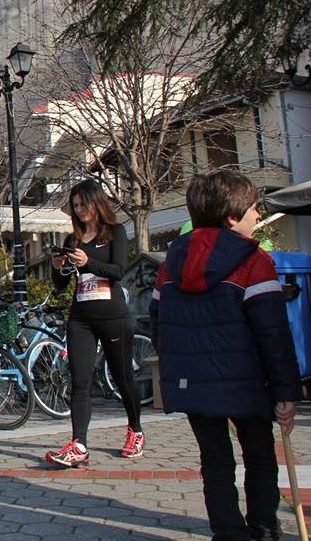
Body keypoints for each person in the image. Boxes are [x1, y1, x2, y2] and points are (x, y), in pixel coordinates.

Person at [150, 170, 299, 541]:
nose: (257, 216)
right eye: (254, 209)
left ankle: (228, 532)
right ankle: (263, 526)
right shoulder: (254, 260)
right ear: (232, 217)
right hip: (247, 380)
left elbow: (158, 323)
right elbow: (273, 333)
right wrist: (286, 391)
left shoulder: (171, 263)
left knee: (215, 460)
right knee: (259, 454)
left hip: (193, 380)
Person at [45, 179, 145, 468]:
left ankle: (136, 430)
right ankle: (79, 444)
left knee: (122, 376)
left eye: (83, 204)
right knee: (80, 380)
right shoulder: (73, 240)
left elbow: (118, 271)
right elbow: (62, 285)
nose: (80, 210)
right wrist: (57, 268)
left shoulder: (115, 232)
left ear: (97, 202)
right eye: (75, 206)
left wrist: (87, 262)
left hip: (113, 316)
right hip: (81, 318)